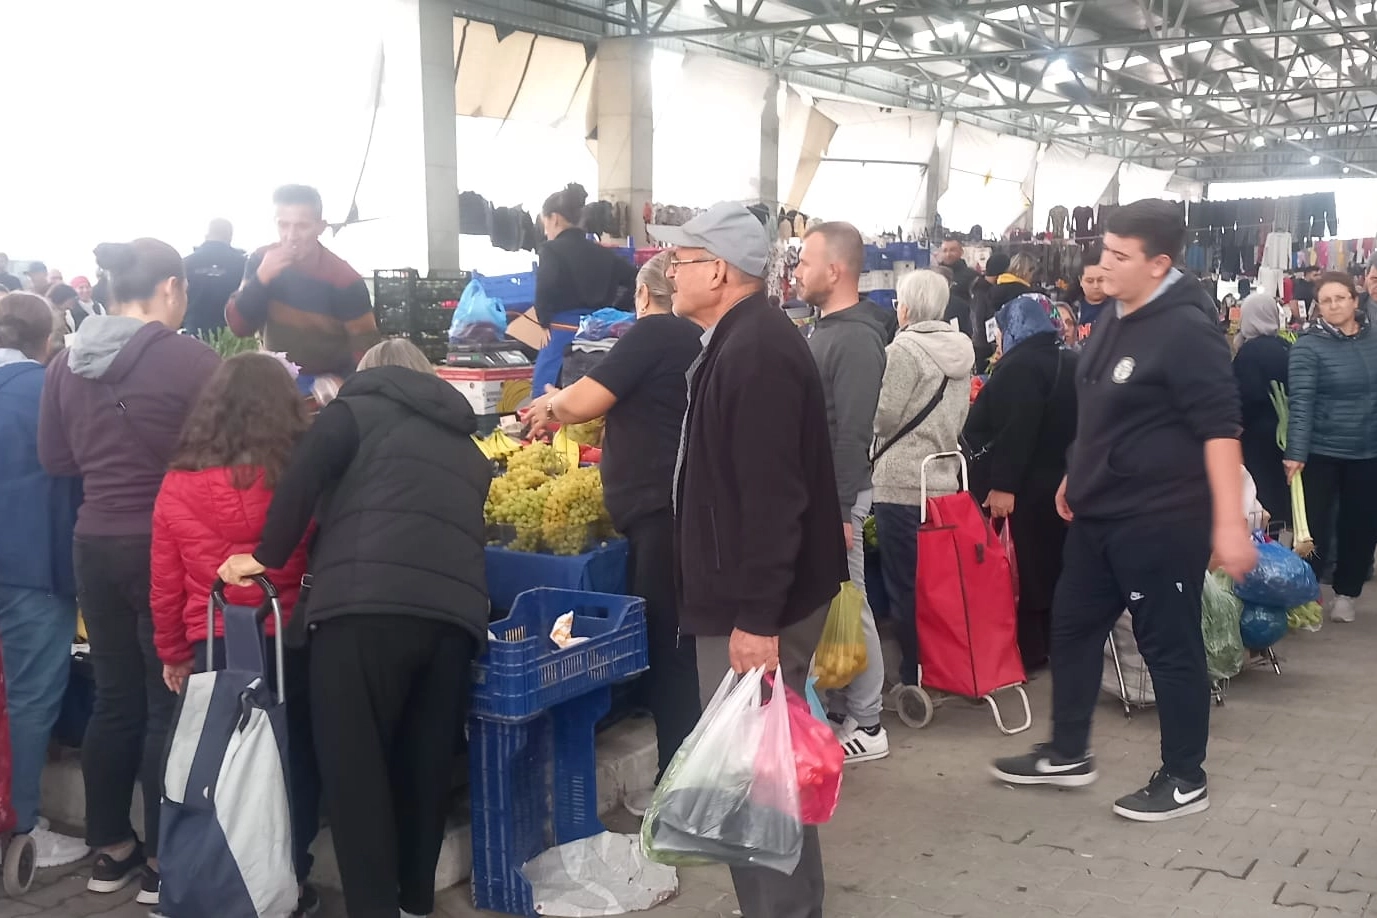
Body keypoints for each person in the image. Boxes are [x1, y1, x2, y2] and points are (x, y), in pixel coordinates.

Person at [991, 198, 1256, 822]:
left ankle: (1185, 776)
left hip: (1161, 518)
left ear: (1159, 264)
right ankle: (1068, 752)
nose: (1103, 265)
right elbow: (1102, 409)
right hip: (1098, 514)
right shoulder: (1114, 314)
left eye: (1118, 255)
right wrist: (1075, 472)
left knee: (1169, 647)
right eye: (1103, 250)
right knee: (1072, 626)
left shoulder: (1188, 332)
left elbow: (1221, 431)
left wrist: (1228, 523)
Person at [219, 339, 490, 918]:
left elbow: (302, 478)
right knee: (425, 766)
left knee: (354, 770)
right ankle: (415, 902)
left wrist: (264, 557)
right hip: (452, 622)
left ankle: (372, 907)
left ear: (370, 375)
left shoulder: (352, 412)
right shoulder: (467, 446)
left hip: (361, 613)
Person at [652, 201, 846, 918]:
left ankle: (782, 909)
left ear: (720, 271)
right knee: (764, 769)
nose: (668, 271)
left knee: (755, 778)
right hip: (746, 598)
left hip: (757, 607)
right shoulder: (738, 340)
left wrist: (757, 618)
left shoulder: (756, 351)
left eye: (680, 259)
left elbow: (772, 499)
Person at [38, 238, 220, 904]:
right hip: (166, 546)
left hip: (94, 542)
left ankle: (110, 849)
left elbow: (55, 459)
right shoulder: (190, 360)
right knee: (165, 701)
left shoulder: (63, 364)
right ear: (171, 286)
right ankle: (164, 861)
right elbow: (228, 452)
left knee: (114, 699)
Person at [524, 252, 703, 813]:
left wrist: (549, 405)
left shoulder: (653, 333)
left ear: (644, 295)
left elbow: (584, 399)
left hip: (660, 511)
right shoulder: (694, 339)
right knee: (682, 644)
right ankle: (689, 778)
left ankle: (678, 791)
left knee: (671, 648)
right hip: (682, 507)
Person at [149, 352, 319, 916]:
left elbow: (165, 578)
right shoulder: (302, 476)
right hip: (290, 638)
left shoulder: (179, 483)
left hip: (215, 641)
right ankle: (290, 879)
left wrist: (173, 652)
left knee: (221, 763)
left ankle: (225, 876)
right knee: (293, 758)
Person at [792, 221, 890, 763]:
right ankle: (839, 707)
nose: (797, 272)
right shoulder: (825, 329)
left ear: (834, 270)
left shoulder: (854, 339)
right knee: (833, 603)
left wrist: (842, 510)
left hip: (839, 497)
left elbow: (852, 433)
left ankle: (870, 722)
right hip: (822, 495)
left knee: (853, 602)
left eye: (804, 262)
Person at [0, 293, 90, 869]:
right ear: (49, 339)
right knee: (30, 699)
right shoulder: (52, 390)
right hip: (34, 566)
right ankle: (22, 825)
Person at [962, 295, 1078, 672]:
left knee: (1023, 570)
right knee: (1051, 565)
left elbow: (1017, 429)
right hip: (1061, 481)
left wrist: (1003, 485)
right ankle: (1054, 643)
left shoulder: (1021, 366)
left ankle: (1028, 650)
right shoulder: (1068, 359)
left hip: (1025, 486)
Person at [873, 269, 975, 690]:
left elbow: (884, 417)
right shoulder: (962, 349)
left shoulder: (904, 350)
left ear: (906, 307)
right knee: (939, 584)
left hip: (900, 482)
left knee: (904, 586)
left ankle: (913, 674)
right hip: (943, 480)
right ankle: (945, 667)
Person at [1284, 272, 1377, 624]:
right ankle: (1307, 594)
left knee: (1361, 524)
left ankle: (1347, 594)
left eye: (1340, 298)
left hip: (1368, 450)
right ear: (1318, 307)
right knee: (1314, 527)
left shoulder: (1374, 338)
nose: (1334, 305)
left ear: (1355, 300)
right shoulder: (1308, 346)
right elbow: (1301, 402)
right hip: (1322, 450)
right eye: (1326, 300)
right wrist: (1296, 452)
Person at [225, 184, 380, 390]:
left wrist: (345, 384)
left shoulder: (344, 279)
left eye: (302, 226)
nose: (291, 236)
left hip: (326, 384)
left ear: (320, 227)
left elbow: (367, 349)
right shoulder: (261, 260)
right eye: (283, 225)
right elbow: (239, 326)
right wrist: (261, 279)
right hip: (275, 379)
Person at [524, 183, 637, 392]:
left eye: (544, 222)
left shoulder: (551, 250)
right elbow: (637, 279)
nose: (545, 230)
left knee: (547, 397)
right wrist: (616, 310)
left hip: (561, 334)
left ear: (554, 218)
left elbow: (545, 287)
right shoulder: (604, 254)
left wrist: (543, 320)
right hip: (600, 335)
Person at [1233, 292, 1290, 530]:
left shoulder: (1249, 352)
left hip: (1258, 435)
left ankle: (1266, 536)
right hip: (1287, 433)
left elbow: (1248, 396)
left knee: (1263, 489)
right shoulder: (1287, 346)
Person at [183, 218, 247, 338]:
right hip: (231, 338)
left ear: (207, 235)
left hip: (192, 333)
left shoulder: (186, 263)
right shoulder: (243, 264)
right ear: (229, 237)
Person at [1073, 255, 1113, 342]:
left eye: (1100, 280)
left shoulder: (1119, 309)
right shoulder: (1072, 310)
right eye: (1090, 281)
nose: (1096, 286)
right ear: (1080, 281)